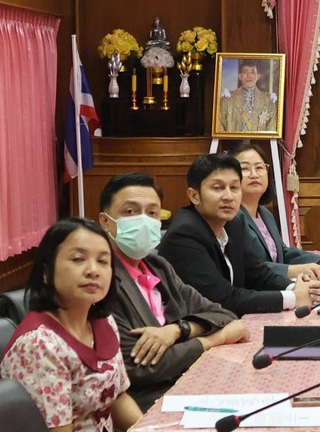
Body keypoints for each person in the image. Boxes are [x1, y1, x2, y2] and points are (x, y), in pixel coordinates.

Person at [0, 218, 144, 432]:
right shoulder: (39, 344)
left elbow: (117, 398)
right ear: (46, 272)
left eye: (103, 261)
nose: (93, 271)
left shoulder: (103, 322)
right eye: (78, 259)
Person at [94, 172, 251, 406]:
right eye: (130, 212)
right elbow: (138, 366)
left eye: (152, 213)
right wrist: (213, 340)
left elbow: (223, 315)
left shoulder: (158, 266)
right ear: (105, 221)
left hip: (191, 384)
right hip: (146, 403)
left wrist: (178, 330)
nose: (143, 220)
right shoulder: (101, 279)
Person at [158, 152, 320, 315]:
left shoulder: (233, 223)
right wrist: (293, 298)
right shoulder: (185, 234)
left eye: (234, 187)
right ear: (194, 196)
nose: (228, 196)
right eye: (218, 188)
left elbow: (258, 273)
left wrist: (296, 287)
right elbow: (223, 299)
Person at [229, 141, 320, 281]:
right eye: (245, 169)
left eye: (259, 167)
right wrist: (294, 270)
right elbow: (247, 268)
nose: (254, 174)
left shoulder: (265, 214)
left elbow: (283, 254)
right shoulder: (231, 217)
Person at [217, 59, 277, 135]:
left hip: (260, 142)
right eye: (245, 72)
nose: (249, 75)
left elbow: (272, 129)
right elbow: (219, 125)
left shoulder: (268, 101)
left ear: (258, 76)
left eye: (253, 72)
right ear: (239, 76)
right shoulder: (227, 100)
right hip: (232, 141)